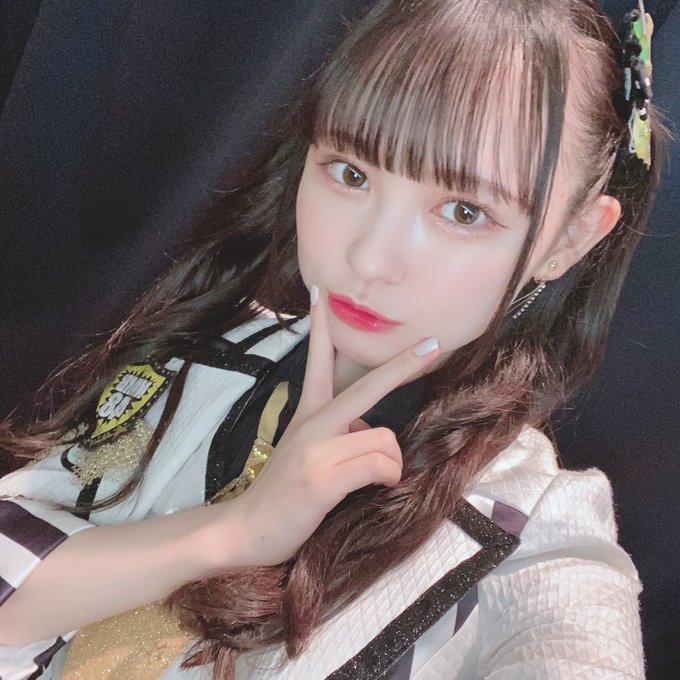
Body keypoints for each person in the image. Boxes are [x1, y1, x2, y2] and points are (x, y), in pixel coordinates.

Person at [0, 0, 665, 678]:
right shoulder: (213, 345)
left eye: (465, 211)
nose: (370, 258)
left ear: (570, 240)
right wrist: (233, 532)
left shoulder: (533, 532)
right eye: (351, 173)